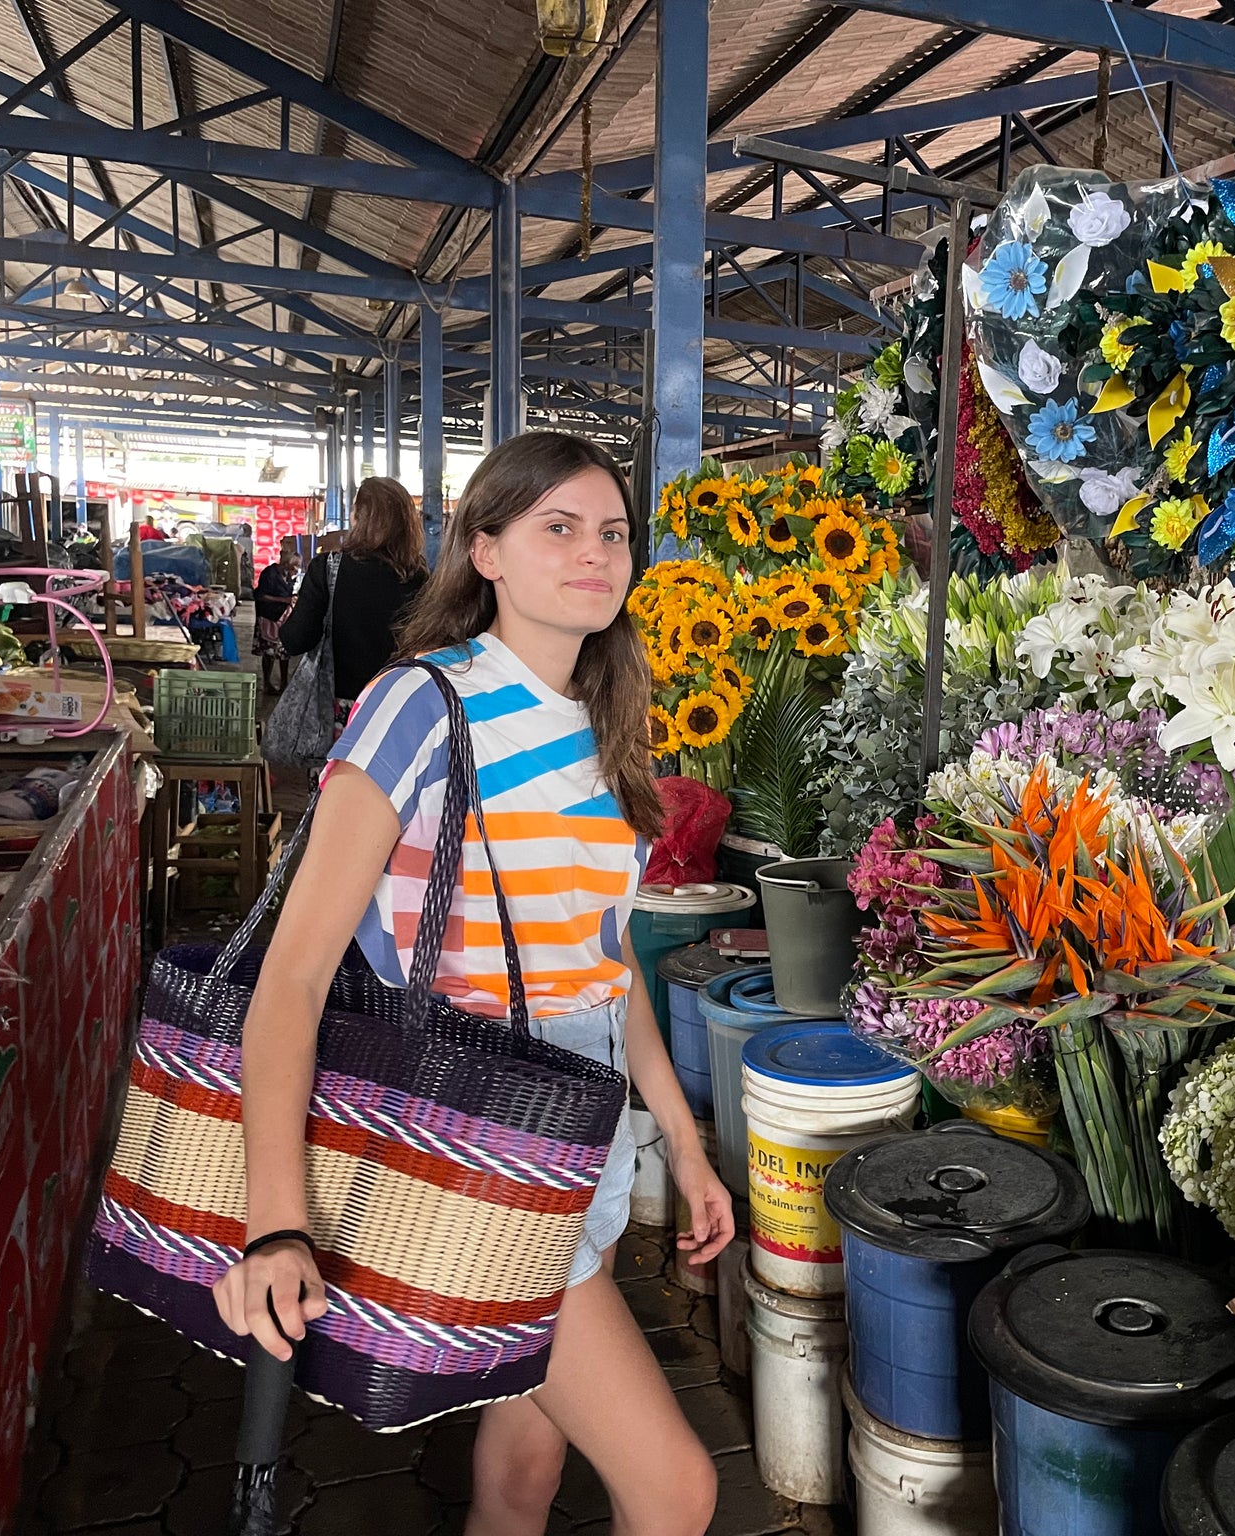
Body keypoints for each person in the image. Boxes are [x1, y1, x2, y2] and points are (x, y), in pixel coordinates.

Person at [211, 432, 729, 1536]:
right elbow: (291, 979)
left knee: (524, 1471)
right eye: (559, 528)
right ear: (483, 551)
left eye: (612, 534)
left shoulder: (607, 721)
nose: (595, 555)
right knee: (677, 1490)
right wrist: (276, 1224)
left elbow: (606, 965)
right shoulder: (422, 703)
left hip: (583, 1126)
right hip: (476, 1141)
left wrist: (683, 1144)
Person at [280, 476, 429, 710]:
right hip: (396, 710)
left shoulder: (326, 569)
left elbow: (295, 641)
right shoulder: (419, 577)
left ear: (358, 517)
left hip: (337, 712)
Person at [251, 545, 301, 694]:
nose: (297, 570)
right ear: (286, 564)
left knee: (284, 652)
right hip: (269, 617)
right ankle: (267, 683)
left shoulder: (289, 577)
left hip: (283, 618)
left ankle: (284, 683)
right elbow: (261, 596)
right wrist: (283, 600)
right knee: (269, 652)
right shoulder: (270, 574)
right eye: (295, 566)